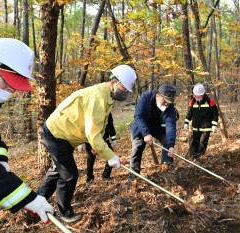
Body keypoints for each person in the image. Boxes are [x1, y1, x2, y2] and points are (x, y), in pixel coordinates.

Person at [37, 65, 137, 223]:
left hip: (65, 134)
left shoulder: (106, 97)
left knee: (58, 169)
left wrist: (100, 147)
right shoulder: (97, 97)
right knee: (69, 174)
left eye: (127, 90)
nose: (124, 93)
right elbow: (93, 134)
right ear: (113, 82)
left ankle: (38, 200)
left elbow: (99, 127)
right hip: (57, 133)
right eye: (123, 88)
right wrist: (110, 156)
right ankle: (64, 213)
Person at [0, 38, 53, 224]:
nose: (10, 90)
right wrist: (27, 199)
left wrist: (0, 159)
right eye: (8, 83)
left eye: (15, 87)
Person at [129, 85, 177, 178]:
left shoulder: (170, 107)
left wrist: (171, 145)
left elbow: (170, 124)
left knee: (167, 142)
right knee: (137, 148)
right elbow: (139, 116)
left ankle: (166, 171)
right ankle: (134, 176)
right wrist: (146, 134)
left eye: (169, 102)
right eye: (165, 101)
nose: (167, 104)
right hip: (141, 126)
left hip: (156, 126)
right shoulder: (146, 97)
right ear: (157, 96)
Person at [183, 83, 219, 158]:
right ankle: (195, 157)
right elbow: (189, 113)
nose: (198, 97)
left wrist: (214, 125)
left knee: (203, 143)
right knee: (195, 143)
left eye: (200, 96)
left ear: (203, 94)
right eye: (197, 96)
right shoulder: (192, 102)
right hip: (196, 127)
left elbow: (215, 114)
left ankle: (199, 157)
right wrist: (186, 122)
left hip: (206, 127)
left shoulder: (210, 101)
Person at [80, 113, 116, 183]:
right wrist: (80, 142)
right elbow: (82, 126)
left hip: (104, 139)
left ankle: (106, 176)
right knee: (90, 159)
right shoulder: (89, 110)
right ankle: (89, 177)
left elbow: (110, 124)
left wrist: (113, 138)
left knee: (111, 155)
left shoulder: (107, 111)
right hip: (90, 140)